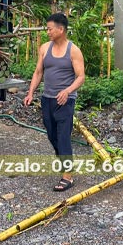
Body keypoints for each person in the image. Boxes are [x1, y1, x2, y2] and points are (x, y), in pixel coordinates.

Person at [23, 13, 85, 191]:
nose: (48, 32)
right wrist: (30, 93)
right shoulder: (44, 48)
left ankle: (67, 177)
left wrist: (67, 91)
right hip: (47, 99)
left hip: (65, 100)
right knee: (52, 135)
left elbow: (81, 77)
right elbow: (38, 72)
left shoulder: (73, 50)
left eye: (50, 29)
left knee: (63, 135)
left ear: (61, 29)